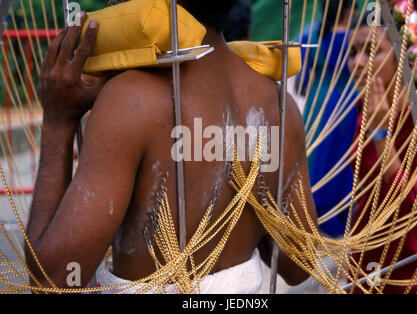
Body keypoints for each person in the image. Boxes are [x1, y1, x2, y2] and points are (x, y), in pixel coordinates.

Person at [25, 0, 316, 293]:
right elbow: (299, 265)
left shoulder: (132, 98)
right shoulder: (279, 106)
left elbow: (51, 280)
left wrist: (58, 122)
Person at [347, 12, 417, 293]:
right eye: (353, 52)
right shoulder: (368, 108)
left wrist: (381, 136)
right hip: (370, 259)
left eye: (371, 51)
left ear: (402, 58)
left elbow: (416, 210)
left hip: (416, 269)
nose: (357, 63)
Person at [290, 0, 359, 237]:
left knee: (316, 155)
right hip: (348, 99)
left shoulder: (310, 34)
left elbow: (299, 81)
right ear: (349, 9)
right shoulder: (355, 37)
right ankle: (341, 215)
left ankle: (311, 211)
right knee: (344, 155)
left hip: (318, 101)